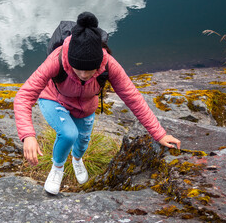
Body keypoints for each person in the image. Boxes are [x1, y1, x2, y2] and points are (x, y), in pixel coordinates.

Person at [14, 12, 181, 195]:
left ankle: (77, 160)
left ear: (99, 63)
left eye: (90, 70)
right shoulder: (57, 59)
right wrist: (28, 135)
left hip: (85, 106)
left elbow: (132, 97)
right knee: (69, 134)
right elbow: (24, 95)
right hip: (54, 99)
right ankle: (58, 168)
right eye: (79, 69)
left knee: (83, 140)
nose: (84, 75)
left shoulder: (109, 64)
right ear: (70, 60)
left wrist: (159, 134)